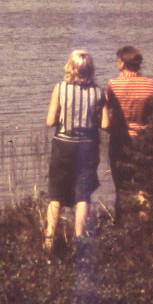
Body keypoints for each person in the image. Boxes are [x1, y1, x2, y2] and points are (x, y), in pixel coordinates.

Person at [44, 49, 108, 251]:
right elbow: (105, 124)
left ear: (71, 67)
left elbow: (50, 121)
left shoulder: (60, 88)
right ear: (90, 69)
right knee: (83, 194)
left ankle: (49, 239)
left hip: (63, 145)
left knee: (56, 193)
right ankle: (79, 239)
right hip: (88, 146)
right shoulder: (99, 92)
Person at [105, 45, 153, 220]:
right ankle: (145, 227)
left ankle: (121, 225)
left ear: (122, 63)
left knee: (121, 186)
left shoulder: (113, 84)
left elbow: (106, 112)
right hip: (145, 141)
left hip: (120, 141)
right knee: (144, 186)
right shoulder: (151, 85)